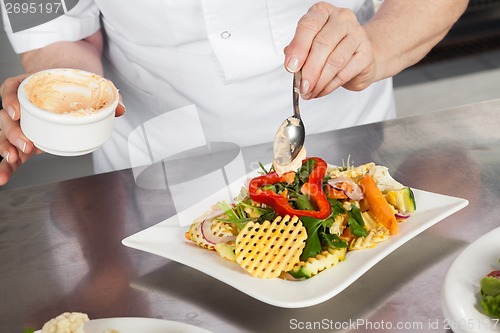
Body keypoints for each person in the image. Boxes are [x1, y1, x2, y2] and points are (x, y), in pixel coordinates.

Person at [0, 0, 468, 186]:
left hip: (345, 139)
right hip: (157, 169)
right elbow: (55, 28)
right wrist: (57, 100)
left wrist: (377, 46)